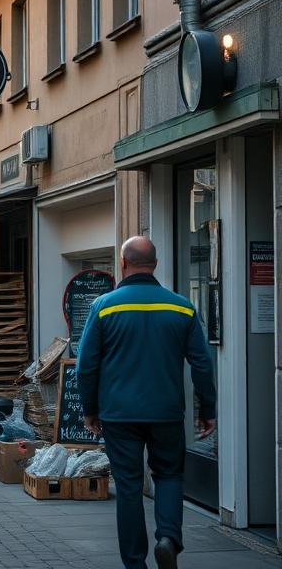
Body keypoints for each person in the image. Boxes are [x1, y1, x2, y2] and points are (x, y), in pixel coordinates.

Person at [77, 236, 217, 569]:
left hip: (118, 413)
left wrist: (89, 409)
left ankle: (135, 564)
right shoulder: (181, 307)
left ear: (123, 264)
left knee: (128, 485)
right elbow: (202, 363)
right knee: (169, 475)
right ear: (155, 264)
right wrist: (206, 409)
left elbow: (86, 365)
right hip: (166, 412)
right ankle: (168, 537)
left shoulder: (105, 306)